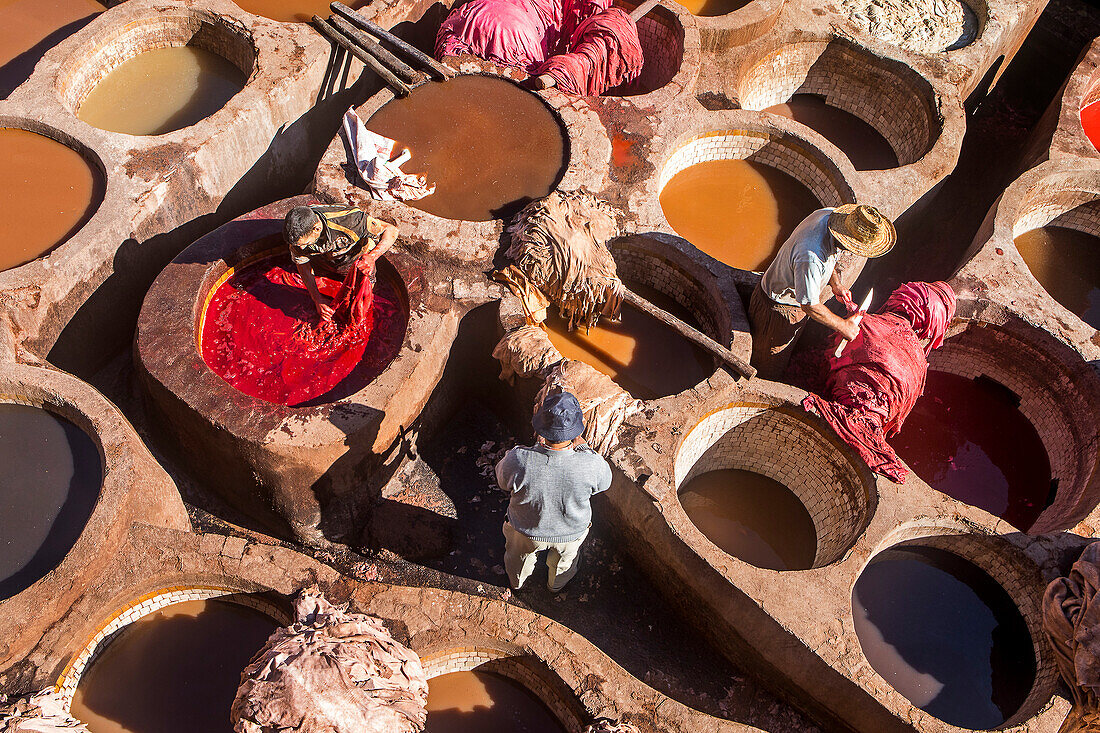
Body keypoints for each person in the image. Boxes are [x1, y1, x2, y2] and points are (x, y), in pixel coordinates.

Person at [749, 203, 896, 381]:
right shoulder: (811, 256)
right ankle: (763, 381)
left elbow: (831, 256)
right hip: (779, 310)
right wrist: (844, 326)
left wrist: (836, 284)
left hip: (794, 300)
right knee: (769, 361)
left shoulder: (830, 216)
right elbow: (809, 305)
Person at [495, 391, 612, 592]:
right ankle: (555, 586)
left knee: (518, 560)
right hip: (570, 532)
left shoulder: (519, 458)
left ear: (540, 426)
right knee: (563, 565)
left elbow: (502, 481)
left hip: (526, 531)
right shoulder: (592, 464)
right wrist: (584, 449)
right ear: (576, 431)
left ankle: (517, 582)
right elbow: (605, 483)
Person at [283, 205, 398, 323]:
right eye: (299, 245)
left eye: (306, 243)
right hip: (324, 260)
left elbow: (391, 230)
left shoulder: (352, 221)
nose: (302, 248)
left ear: (316, 229)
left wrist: (372, 257)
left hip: (353, 260)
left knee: (362, 300)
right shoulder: (298, 236)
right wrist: (317, 298)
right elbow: (303, 266)